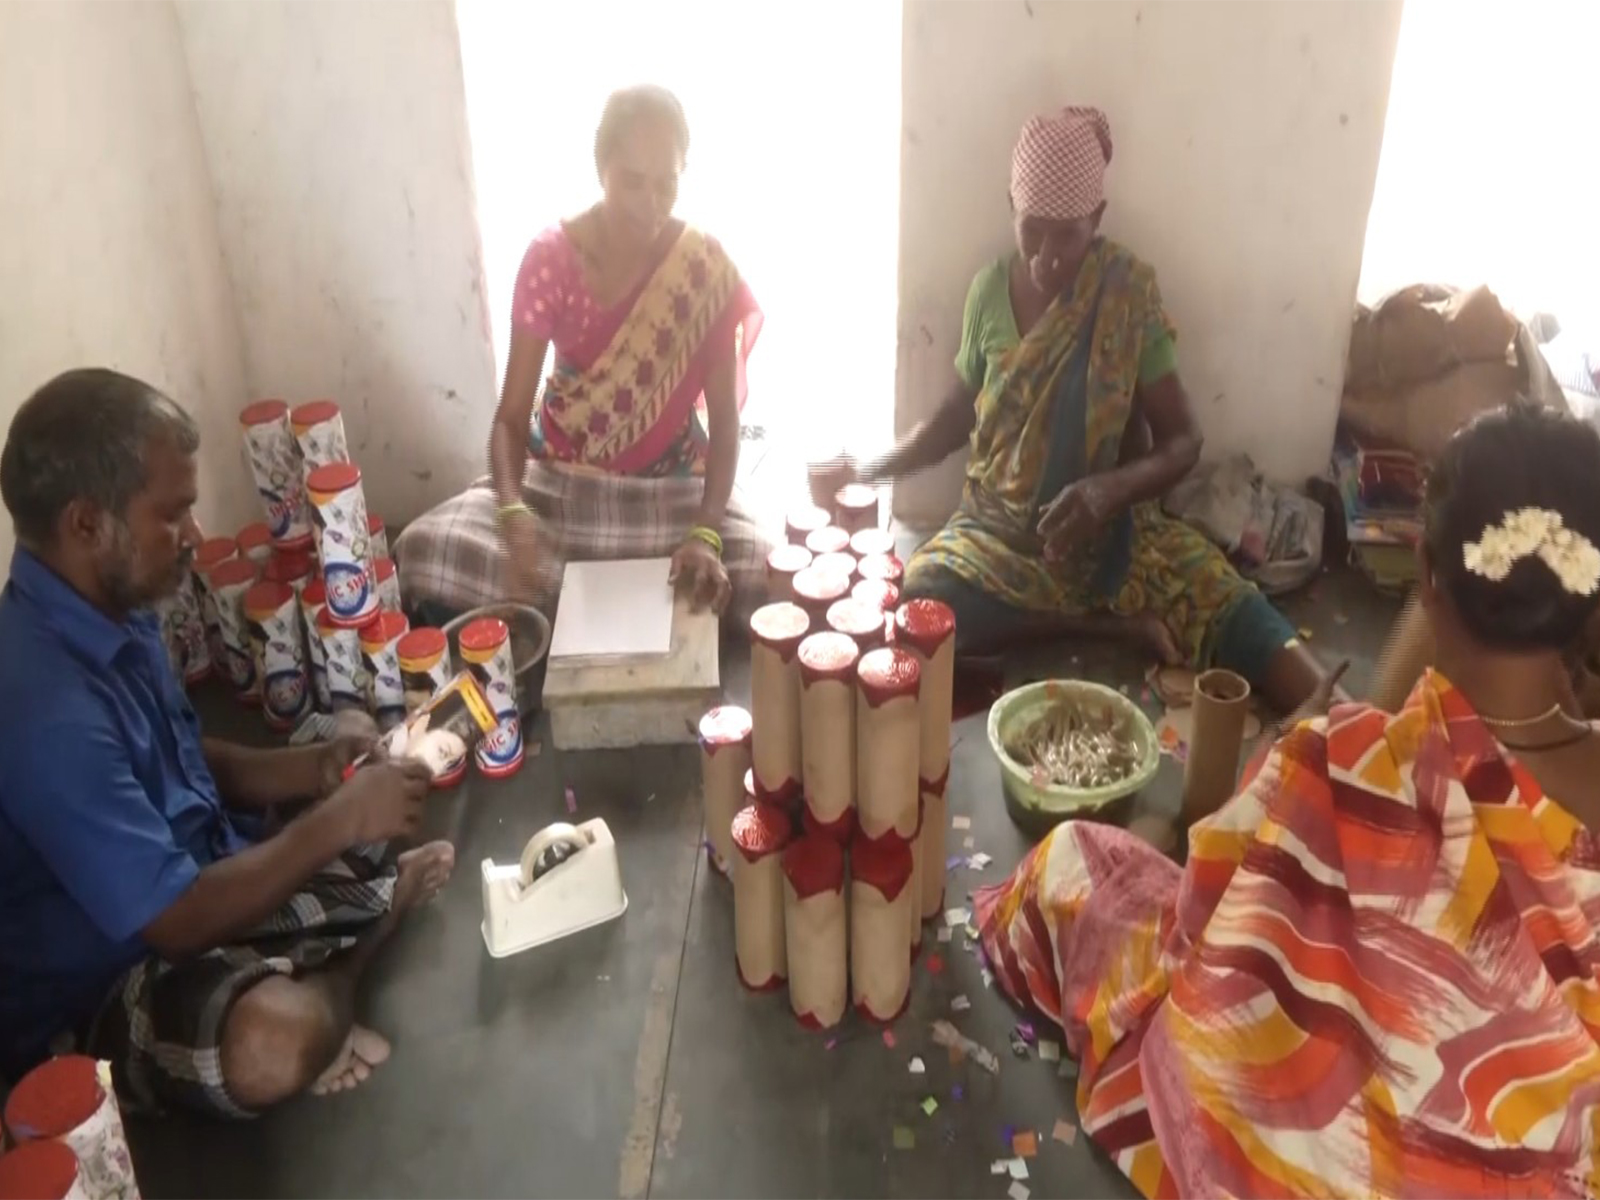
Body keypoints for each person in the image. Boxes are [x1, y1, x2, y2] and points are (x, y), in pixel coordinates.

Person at [973, 402, 1600, 1196]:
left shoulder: (1343, 757)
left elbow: (1206, 914)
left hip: (1315, 1144)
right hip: (1537, 1155)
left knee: (1077, 862)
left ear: (1425, 577)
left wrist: (1283, 746)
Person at [0, 369, 453, 1115]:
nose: (194, 536)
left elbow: (188, 759)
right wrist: (337, 820)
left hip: (203, 865)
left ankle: (333, 934)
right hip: (114, 979)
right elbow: (178, 920)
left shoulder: (110, 603)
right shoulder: (43, 712)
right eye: (172, 514)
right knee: (279, 1041)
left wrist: (317, 770)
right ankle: (351, 961)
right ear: (86, 524)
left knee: (364, 747)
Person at [809, 106, 1330, 711]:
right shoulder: (988, 292)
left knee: (1228, 598)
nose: (1048, 257)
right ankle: (1107, 627)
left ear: (1097, 220)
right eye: (1032, 231)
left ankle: (1345, 718)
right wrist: (869, 469)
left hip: (1114, 539)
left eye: (1068, 236)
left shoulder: (1126, 292)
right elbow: (953, 419)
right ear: (1011, 206)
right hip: (998, 537)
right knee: (917, 599)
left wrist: (1107, 492)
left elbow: (1184, 440)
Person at [397, 84, 768, 625]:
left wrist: (706, 534)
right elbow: (509, 421)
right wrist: (514, 513)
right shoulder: (552, 259)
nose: (651, 204)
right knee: (424, 549)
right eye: (632, 182)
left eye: (666, 184)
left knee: (765, 567)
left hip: (669, 494)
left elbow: (727, 427)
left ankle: (570, 604)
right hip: (561, 489)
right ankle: (613, 602)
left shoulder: (702, 268)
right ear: (601, 170)